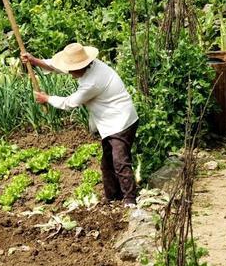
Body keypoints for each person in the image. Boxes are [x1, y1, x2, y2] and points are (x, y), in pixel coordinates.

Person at [21, 42, 139, 206]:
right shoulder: (90, 66)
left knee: (119, 161)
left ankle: (130, 200)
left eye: (71, 69)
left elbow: (71, 102)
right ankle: (112, 198)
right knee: (107, 163)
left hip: (121, 121)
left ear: (81, 66)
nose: (69, 72)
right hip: (110, 121)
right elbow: (59, 66)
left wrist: (47, 99)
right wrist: (35, 61)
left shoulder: (93, 82)